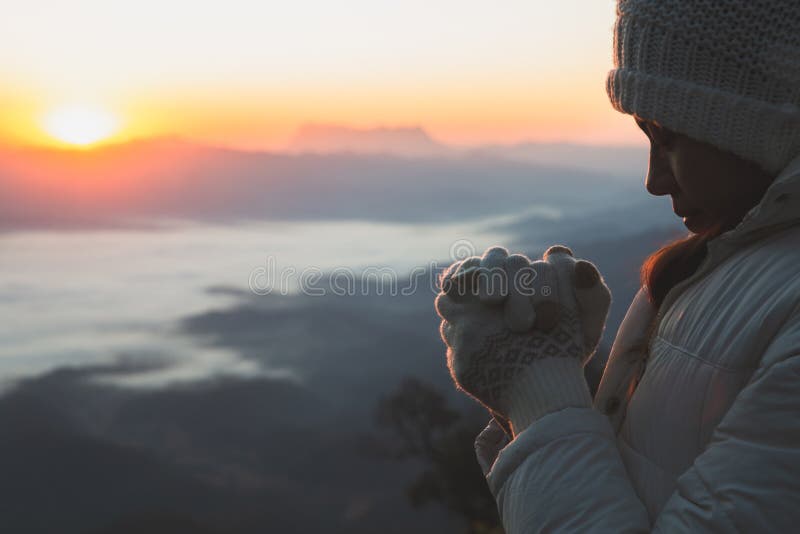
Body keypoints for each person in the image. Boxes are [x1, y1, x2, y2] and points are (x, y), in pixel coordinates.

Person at [435, 1, 800, 531]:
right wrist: (566, 374)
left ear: (752, 117)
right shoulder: (726, 265)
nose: (654, 180)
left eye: (669, 138)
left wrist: (536, 388)